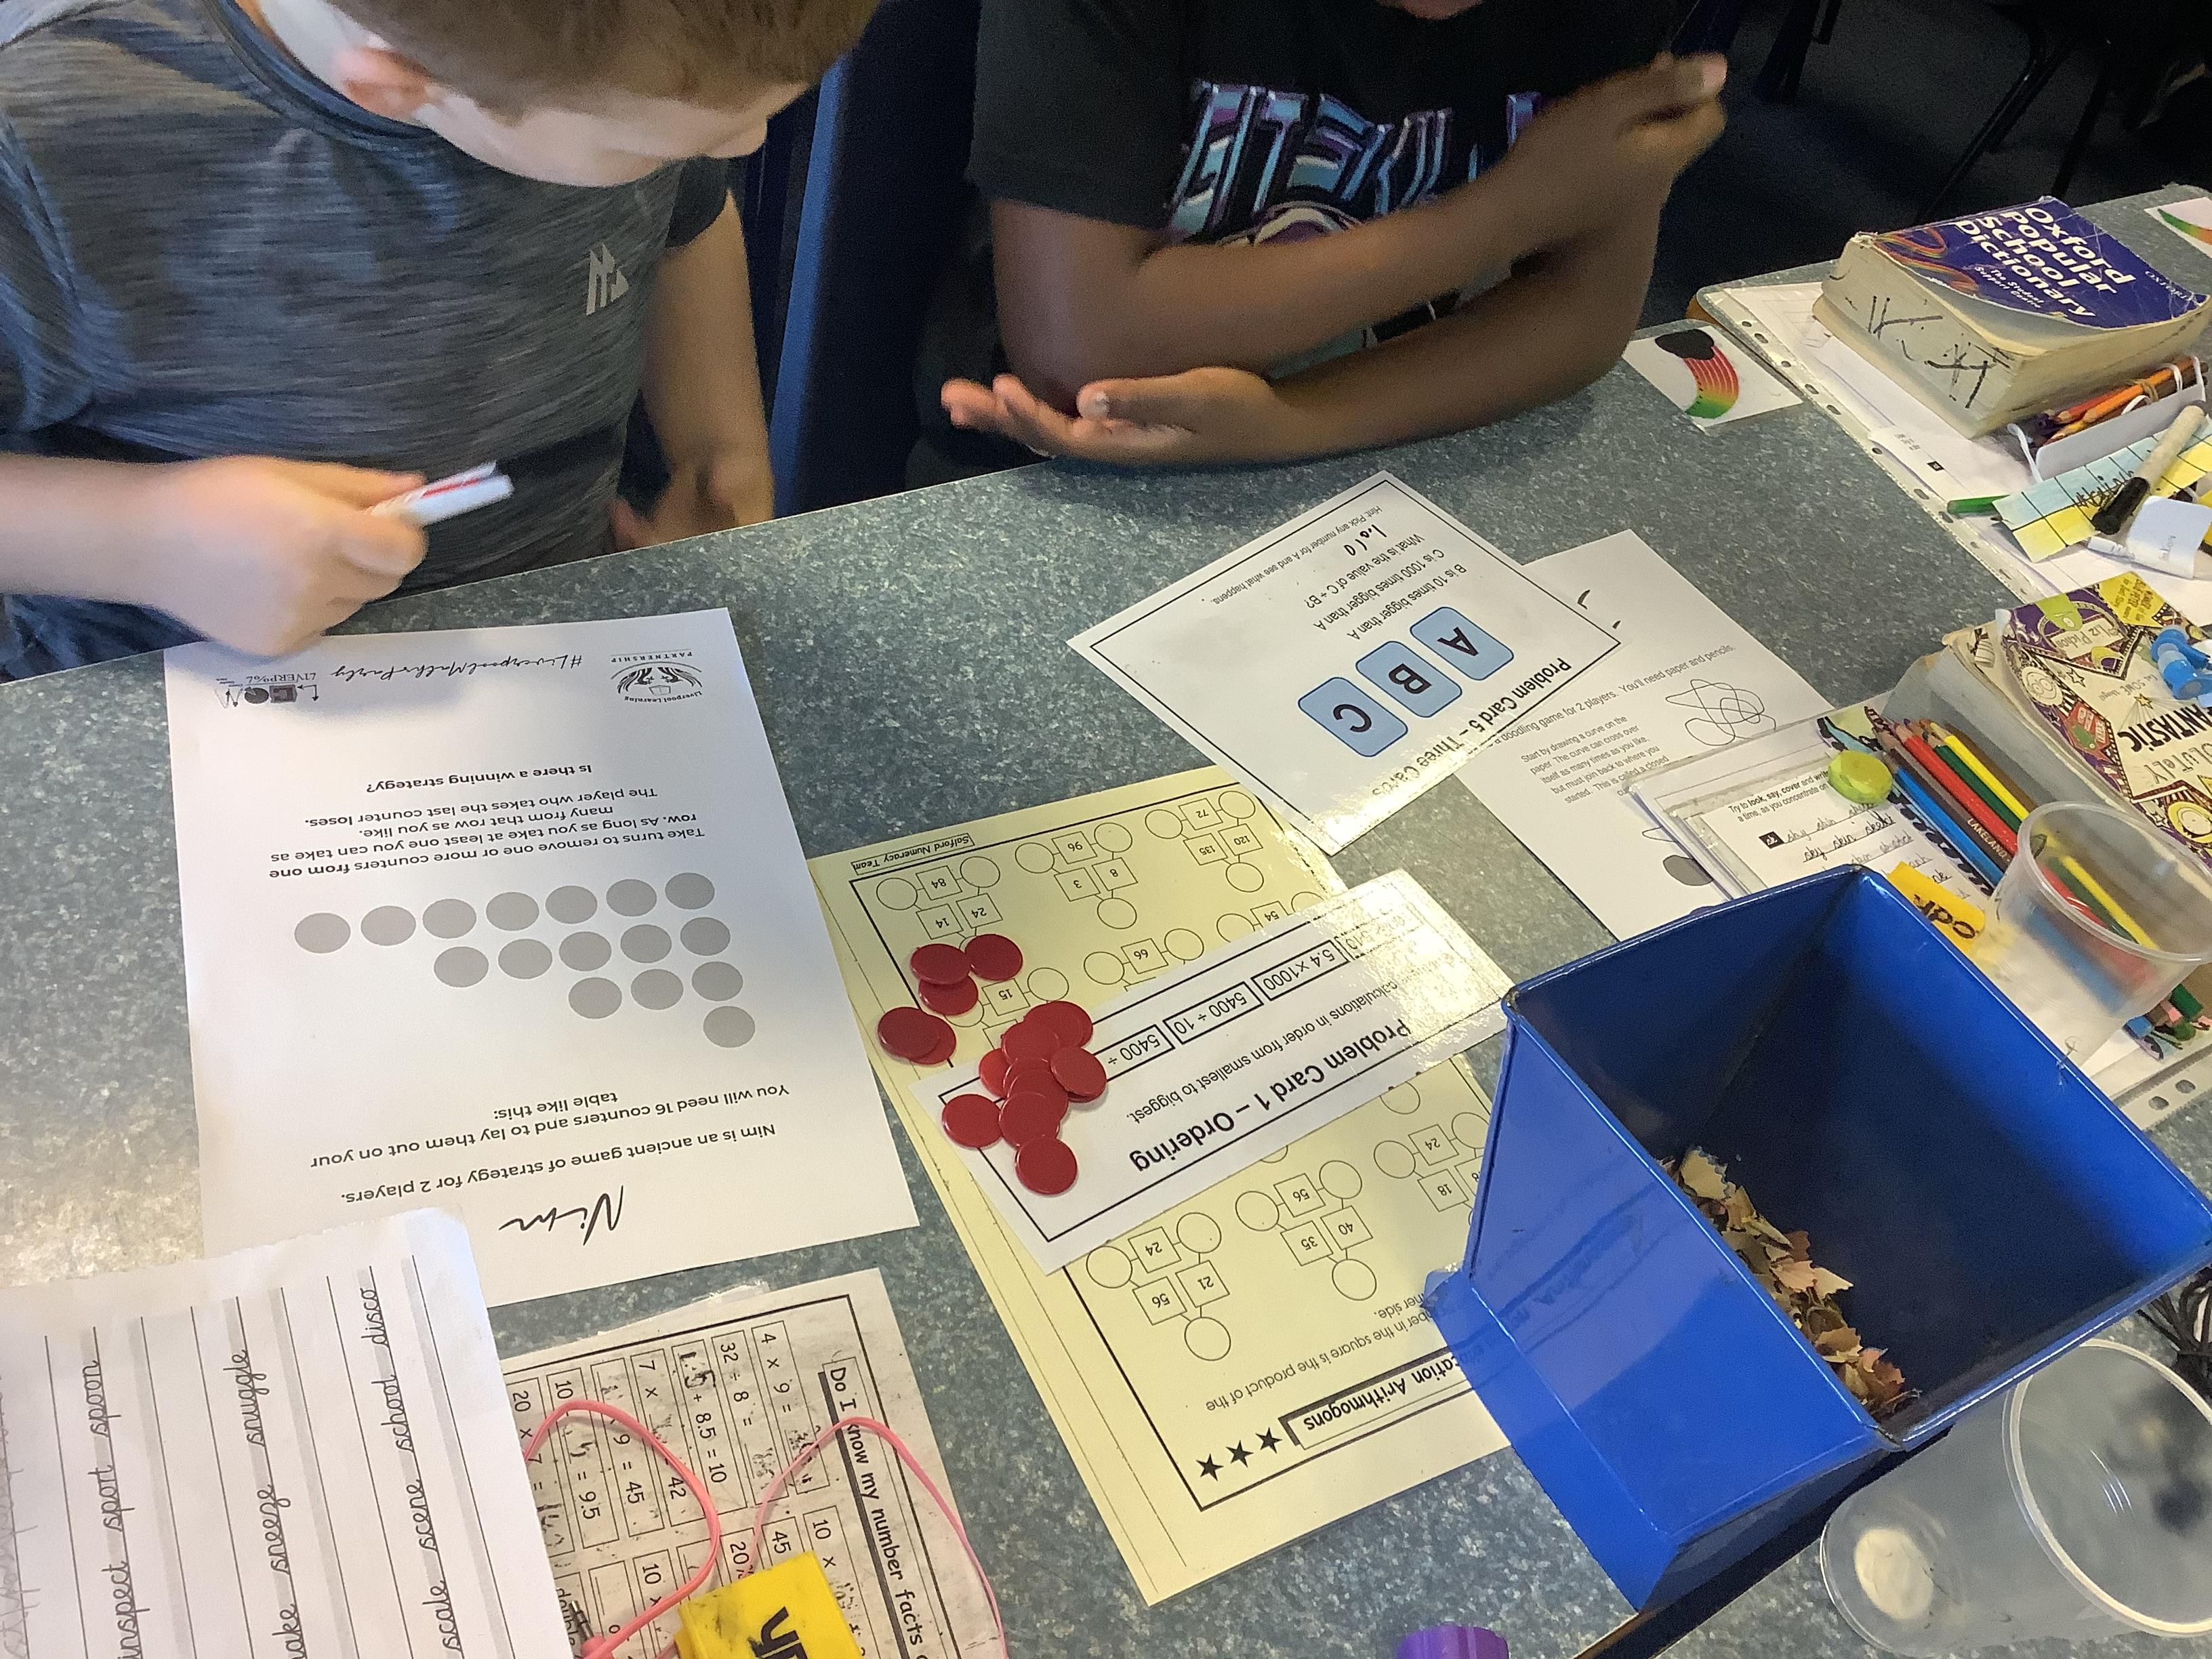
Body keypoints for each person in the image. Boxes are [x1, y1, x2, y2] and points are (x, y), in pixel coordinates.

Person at [0, 0, 874, 676]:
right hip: (178, 698)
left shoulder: (616, 69)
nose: (749, 143)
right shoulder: (47, 151)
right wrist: (149, 539)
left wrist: (717, 442)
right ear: (397, 87)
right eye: (656, 149)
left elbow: (686, 223)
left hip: (556, 652)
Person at [923, 0, 1725, 473]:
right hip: (1050, 477)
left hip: (1382, 452)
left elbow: (1583, 316)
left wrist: (1293, 423)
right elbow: (1083, 348)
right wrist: (1509, 212)